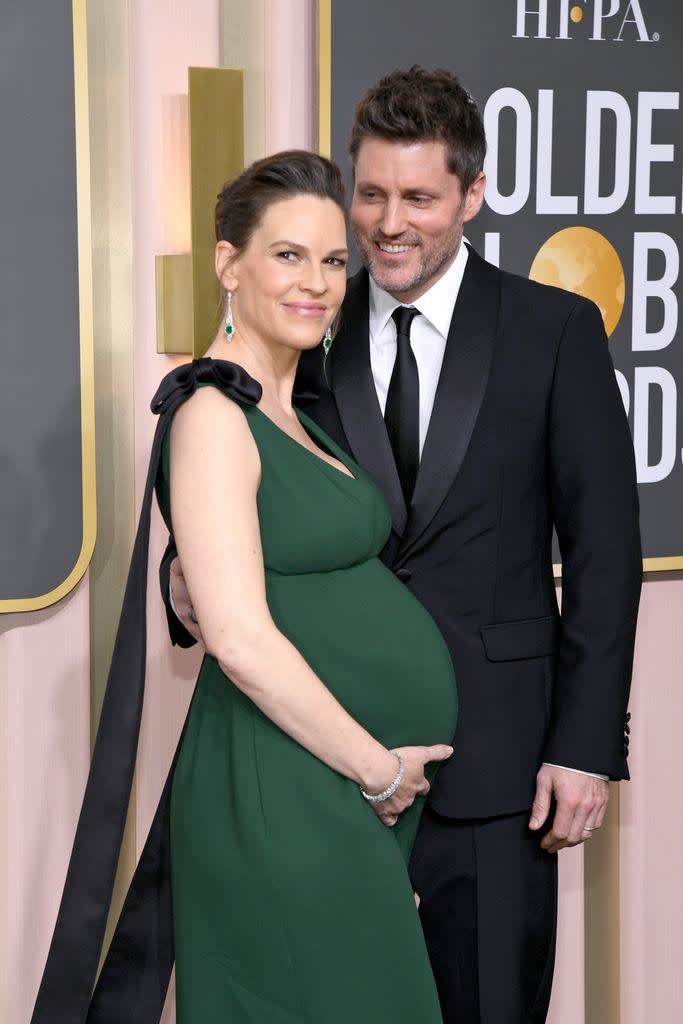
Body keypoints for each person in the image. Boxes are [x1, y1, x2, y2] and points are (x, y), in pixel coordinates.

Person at [167, 68, 642, 1022]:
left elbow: (603, 551)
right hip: (322, 765)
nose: (388, 223)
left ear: (471, 195)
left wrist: (585, 747)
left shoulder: (553, 329)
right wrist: (189, 575)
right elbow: (256, 494)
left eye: (419, 198)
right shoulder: (305, 331)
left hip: (499, 766)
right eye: (371, 194)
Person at [31, 150, 458, 1024]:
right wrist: (377, 771)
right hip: (287, 787)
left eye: (334, 260)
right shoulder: (211, 417)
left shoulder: (291, 413)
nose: (319, 282)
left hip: (331, 786)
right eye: (288, 256)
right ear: (230, 264)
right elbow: (239, 636)